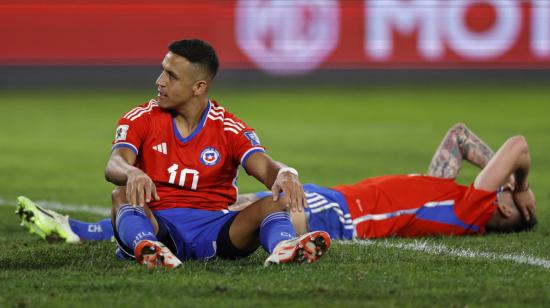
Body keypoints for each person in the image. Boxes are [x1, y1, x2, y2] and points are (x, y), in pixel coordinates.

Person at [16, 123, 536, 245]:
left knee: (234, 208)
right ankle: (93, 229)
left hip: (342, 215)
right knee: (225, 202)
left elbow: (516, 145)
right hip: (337, 197)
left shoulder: (471, 206)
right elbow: (460, 137)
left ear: (503, 207)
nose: (505, 193)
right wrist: (519, 188)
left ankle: (86, 231)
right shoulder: (444, 189)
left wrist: (519, 180)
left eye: (509, 200)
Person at [93, 39, 332, 268]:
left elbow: (267, 168)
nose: (160, 81)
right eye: (163, 71)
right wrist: (131, 172)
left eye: (171, 76)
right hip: (158, 225)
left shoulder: (228, 128)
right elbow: (115, 163)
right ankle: (148, 247)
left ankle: (284, 247)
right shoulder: (141, 118)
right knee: (122, 195)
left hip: (216, 228)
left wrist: (287, 173)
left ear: (199, 86)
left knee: (275, 202)